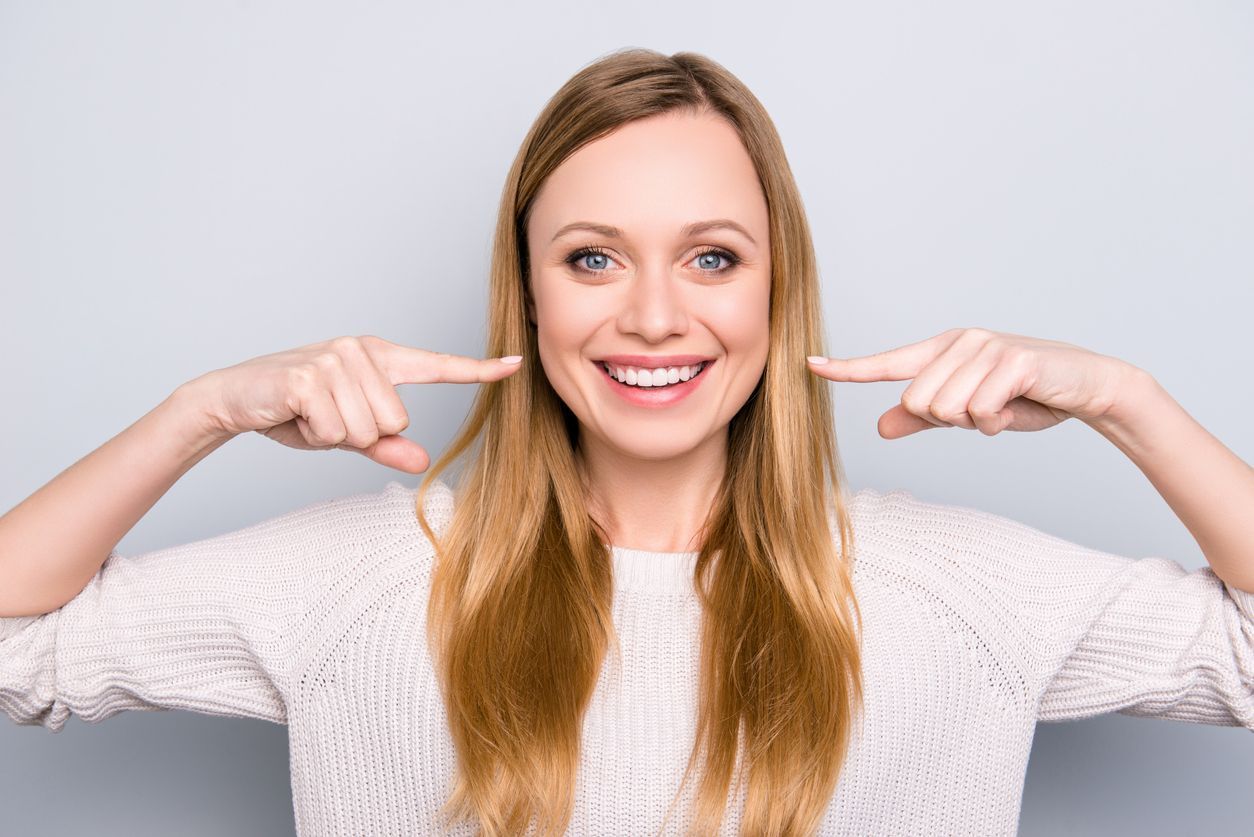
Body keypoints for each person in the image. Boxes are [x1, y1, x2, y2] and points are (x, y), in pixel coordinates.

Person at [1, 47, 1251, 837]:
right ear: (530, 296)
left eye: (713, 257)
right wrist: (200, 414)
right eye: (592, 258)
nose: (654, 314)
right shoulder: (362, 581)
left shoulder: (958, 590)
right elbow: (19, 648)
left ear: (777, 292)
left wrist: (1127, 400)